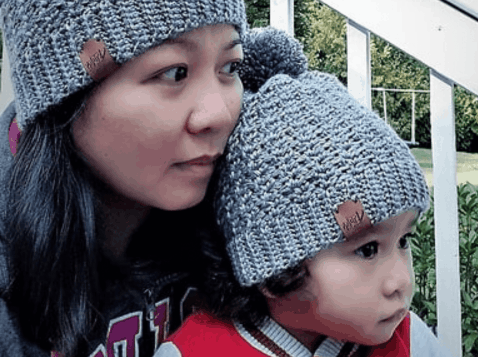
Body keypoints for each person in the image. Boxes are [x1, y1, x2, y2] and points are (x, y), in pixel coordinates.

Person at [0, 0, 248, 357]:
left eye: (229, 67)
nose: (220, 113)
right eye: (174, 72)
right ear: (63, 95)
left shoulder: (247, 202)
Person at [155, 29, 452, 357]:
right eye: (368, 250)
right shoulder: (198, 352)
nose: (401, 281)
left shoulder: (410, 342)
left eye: (404, 241)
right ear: (274, 269)